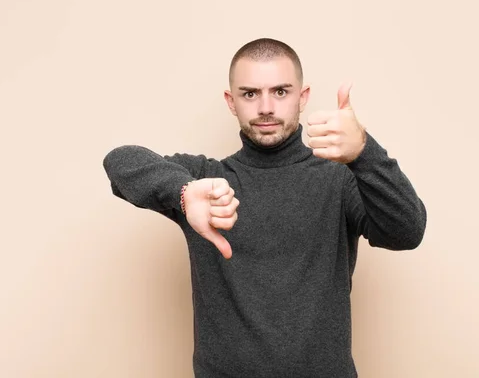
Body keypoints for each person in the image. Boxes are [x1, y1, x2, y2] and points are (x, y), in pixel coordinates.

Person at [102, 37, 427, 378]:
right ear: (231, 101)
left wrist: (364, 151)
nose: (266, 108)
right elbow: (120, 163)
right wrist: (182, 194)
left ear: (302, 98)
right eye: (250, 93)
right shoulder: (205, 183)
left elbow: (407, 231)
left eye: (281, 92)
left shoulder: (339, 181)